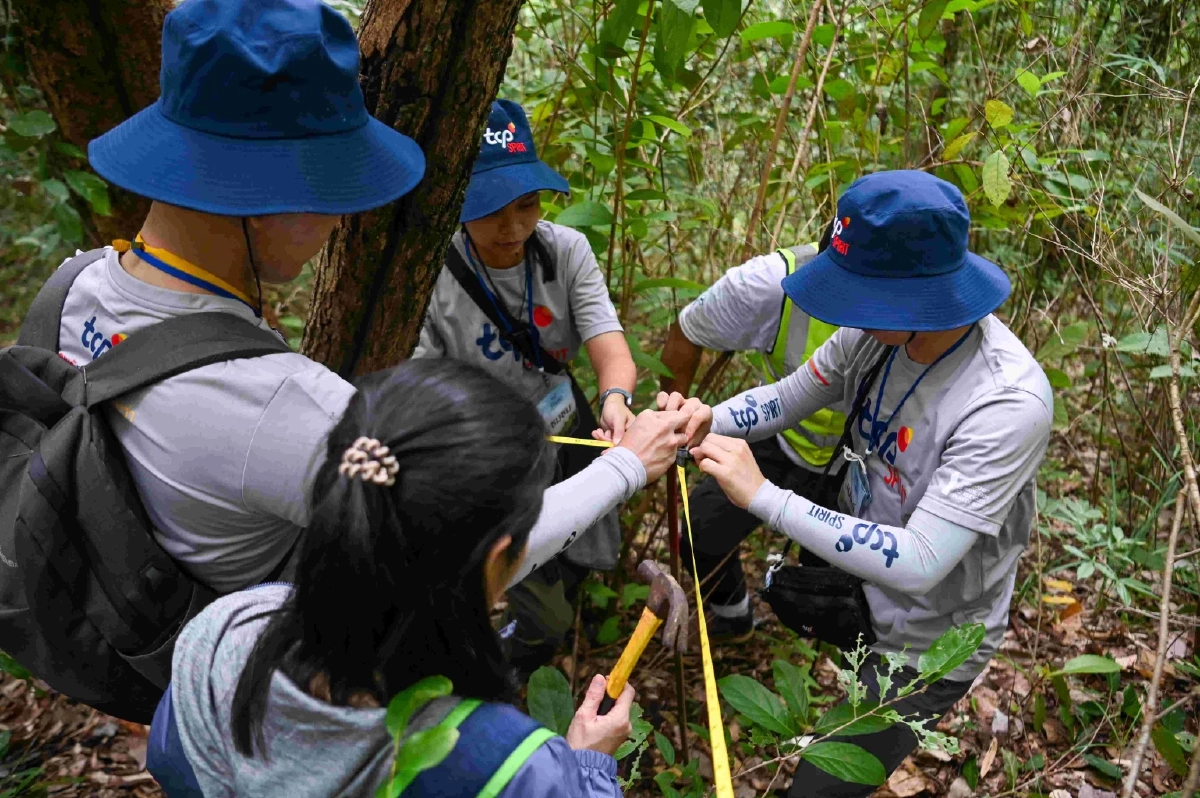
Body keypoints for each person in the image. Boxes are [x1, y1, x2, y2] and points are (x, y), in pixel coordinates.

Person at [64, 0, 689, 598]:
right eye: (334, 191)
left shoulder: (73, 288)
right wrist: (629, 464)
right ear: (268, 196)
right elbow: (475, 562)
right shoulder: (289, 409)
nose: (341, 222)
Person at [687, 171, 1053, 797]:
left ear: (916, 295)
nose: (844, 310)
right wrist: (704, 419)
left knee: (818, 789)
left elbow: (920, 562)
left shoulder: (1005, 402)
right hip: (866, 594)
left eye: (859, 292)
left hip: (933, 642)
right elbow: (787, 399)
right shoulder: (874, 335)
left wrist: (765, 497)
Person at [146, 360, 638, 798]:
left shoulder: (224, 633)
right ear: (497, 560)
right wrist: (587, 767)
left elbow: (174, 763)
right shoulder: (510, 766)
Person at [413, 99, 638, 673]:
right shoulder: (432, 273)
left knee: (584, 539)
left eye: (527, 205)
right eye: (489, 210)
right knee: (536, 598)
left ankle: (555, 627)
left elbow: (607, 342)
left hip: (568, 423)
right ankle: (510, 661)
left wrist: (616, 399)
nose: (512, 227)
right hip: (488, 449)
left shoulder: (564, 251)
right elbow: (424, 384)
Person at [659, 236, 845, 641]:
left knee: (829, 578)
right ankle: (733, 615)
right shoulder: (770, 283)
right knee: (700, 534)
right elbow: (784, 398)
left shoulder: (921, 316)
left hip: (860, 463)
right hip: (778, 440)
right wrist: (681, 424)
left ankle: (818, 648)